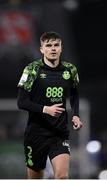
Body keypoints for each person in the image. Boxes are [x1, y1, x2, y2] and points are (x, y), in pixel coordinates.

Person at [17, 31, 82, 179]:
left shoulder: (70, 70)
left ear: (61, 48)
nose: (53, 49)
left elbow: (74, 94)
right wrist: (46, 109)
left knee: (62, 176)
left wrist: (76, 114)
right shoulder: (32, 69)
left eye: (56, 45)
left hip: (59, 132)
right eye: (48, 45)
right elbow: (21, 102)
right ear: (42, 49)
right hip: (36, 134)